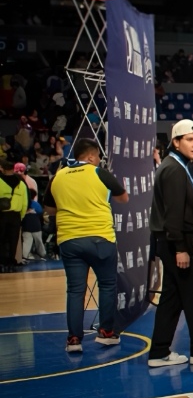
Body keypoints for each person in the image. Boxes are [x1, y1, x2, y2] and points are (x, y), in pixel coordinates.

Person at [42, 138, 129, 351]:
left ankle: (73, 339)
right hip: (100, 238)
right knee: (107, 285)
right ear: (90, 157)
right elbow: (123, 198)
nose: (99, 160)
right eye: (98, 156)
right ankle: (106, 332)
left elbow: (49, 209)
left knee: (75, 290)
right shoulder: (99, 173)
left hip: (69, 240)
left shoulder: (58, 176)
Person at [147, 119, 193, 368]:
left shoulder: (175, 165)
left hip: (171, 240)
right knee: (192, 296)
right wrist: (181, 248)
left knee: (172, 299)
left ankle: (159, 351)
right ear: (176, 142)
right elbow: (174, 214)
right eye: (190, 140)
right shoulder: (174, 169)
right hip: (176, 241)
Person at [0, 160, 30, 273]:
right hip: (16, 216)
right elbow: (25, 203)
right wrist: (21, 216)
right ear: (13, 169)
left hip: (2, 215)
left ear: (2, 168)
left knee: (1, 240)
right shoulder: (21, 183)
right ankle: (11, 263)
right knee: (13, 240)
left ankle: (2, 263)